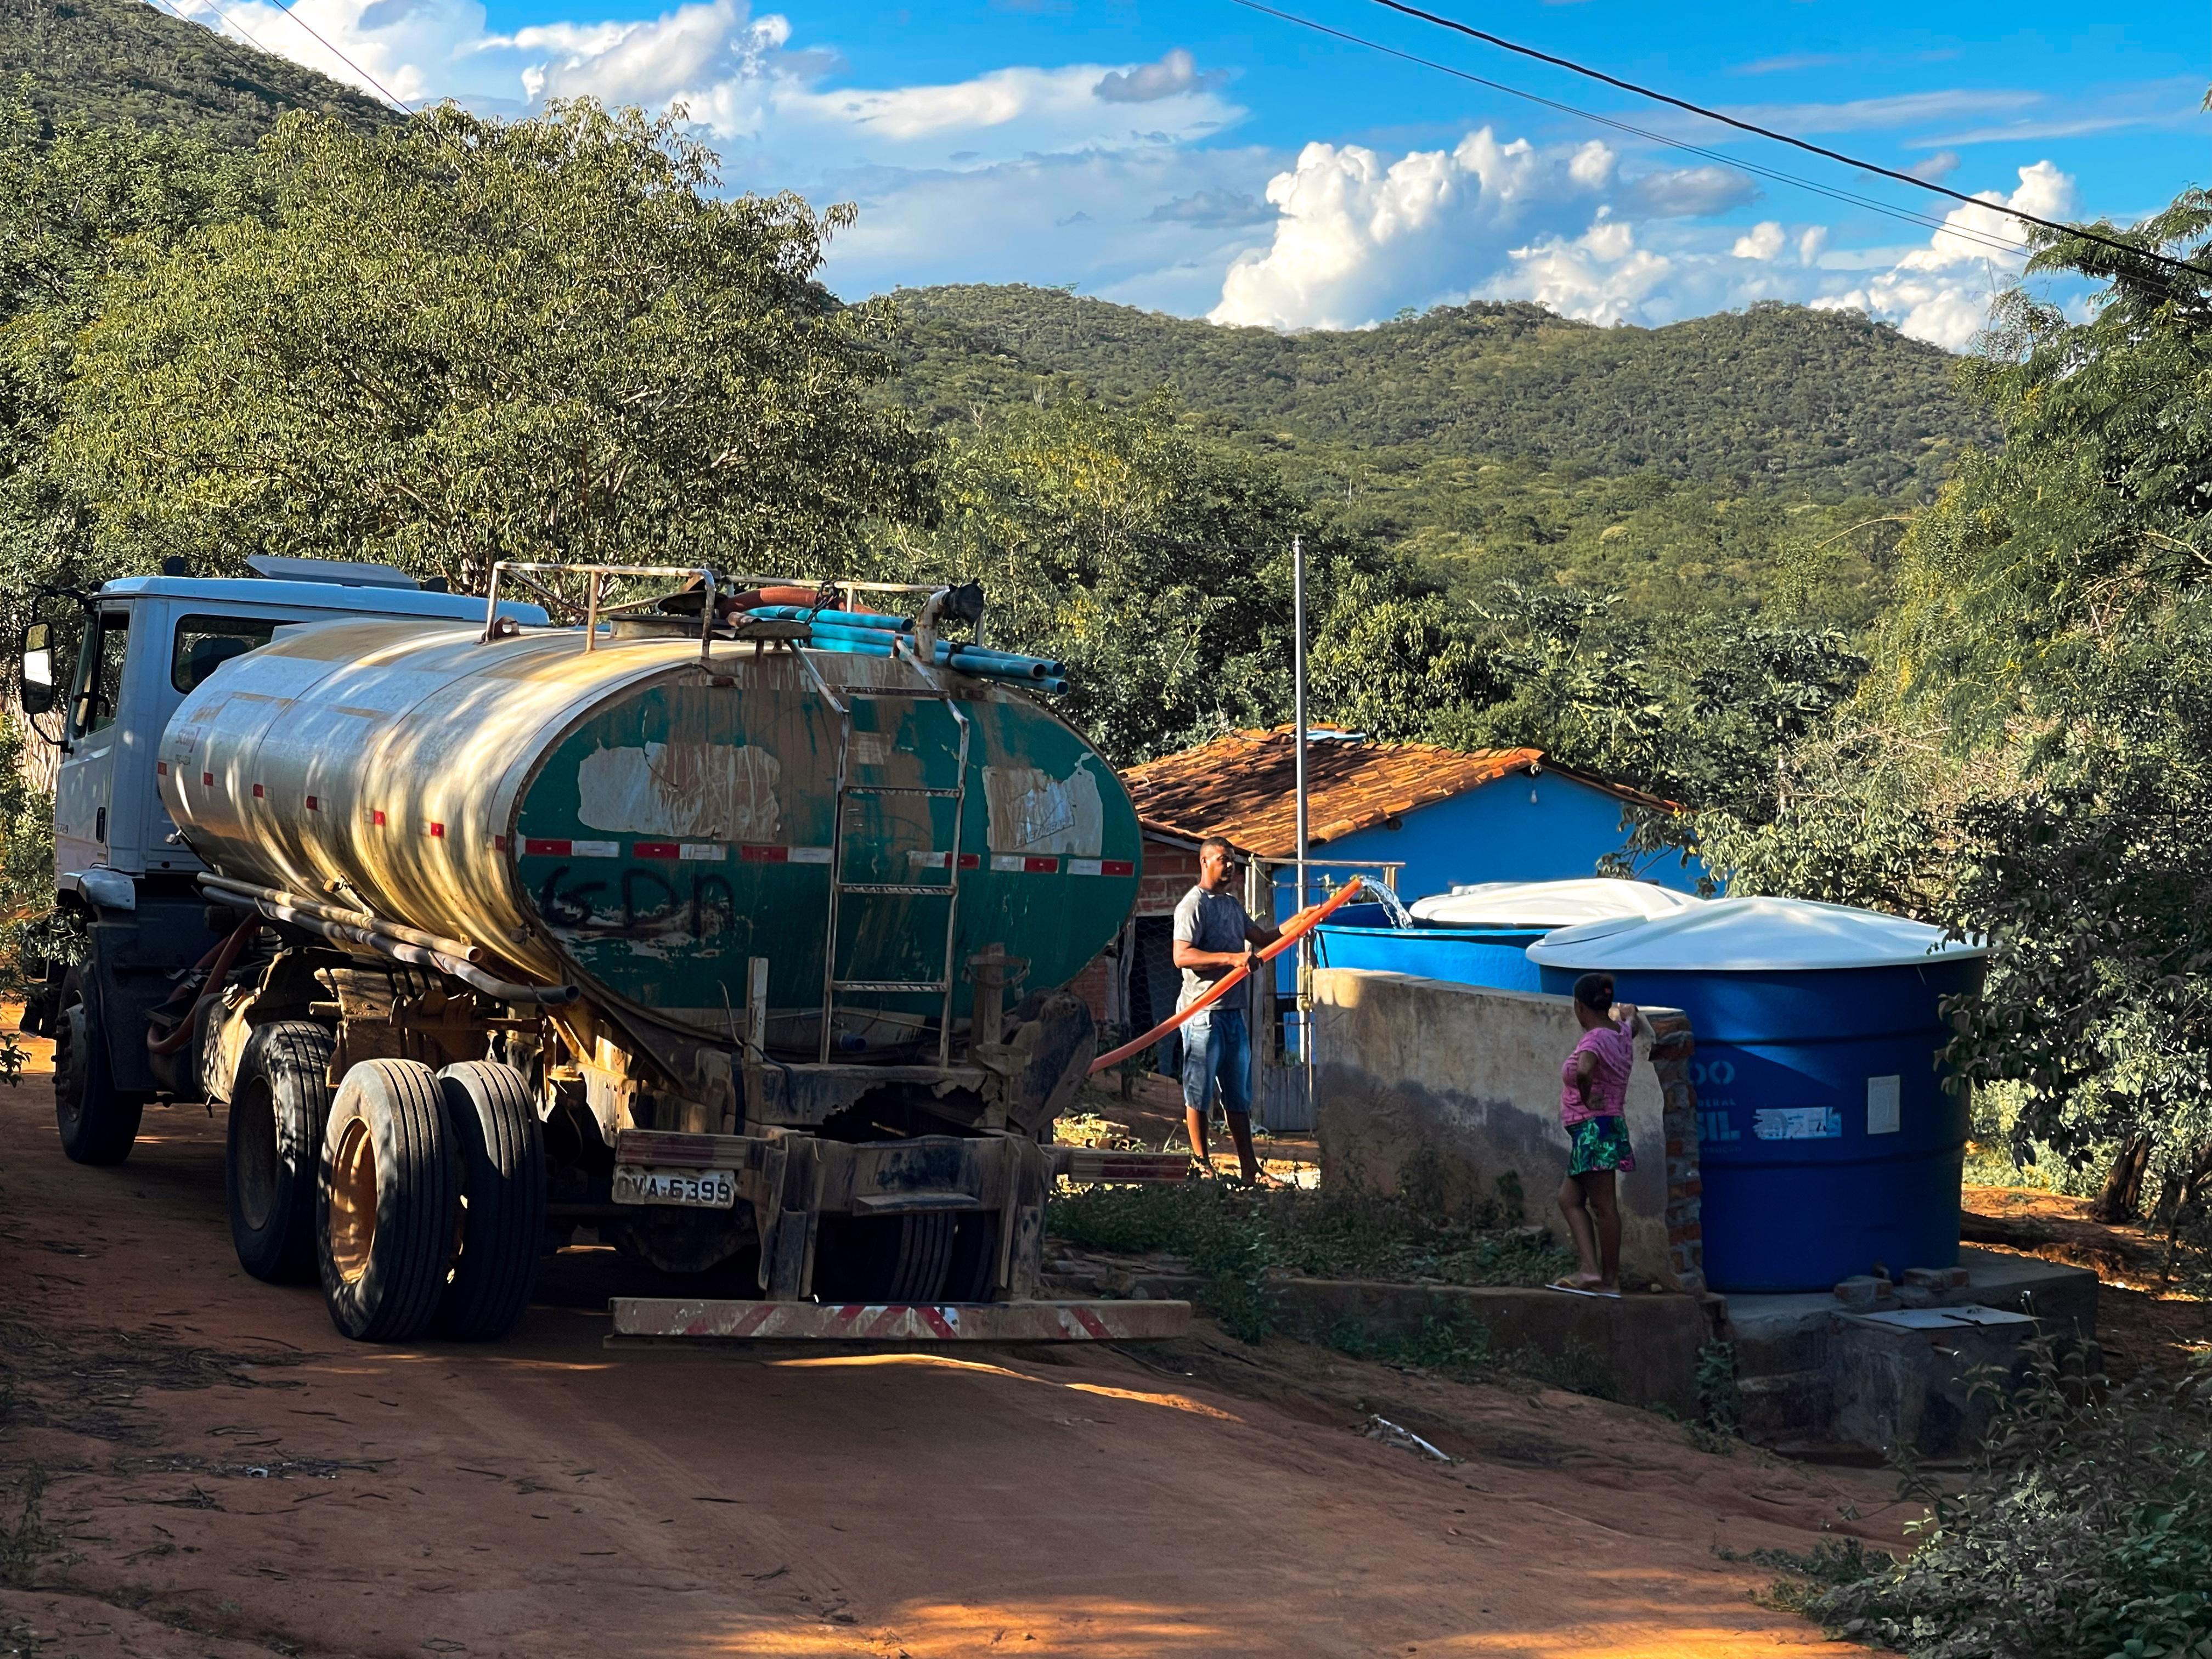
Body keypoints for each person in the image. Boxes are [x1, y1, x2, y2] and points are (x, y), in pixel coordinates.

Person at [1171, 837, 1280, 1182]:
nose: (1230, 866)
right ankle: (1202, 1166)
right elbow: (1182, 955)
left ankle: (1250, 1169)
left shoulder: (1232, 905)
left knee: (1238, 1095)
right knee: (1199, 1092)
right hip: (1202, 1014)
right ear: (1204, 862)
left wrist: (1303, 921)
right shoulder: (1193, 905)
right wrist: (1232, 958)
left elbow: (1263, 938)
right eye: (1222, 859)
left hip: (1232, 1013)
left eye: (1233, 860)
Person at [1551, 972, 1639, 1297]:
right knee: (1569, 1200)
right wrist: (1629, 1016)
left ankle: (1609, 1280)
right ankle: (1590, 1271)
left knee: (1604, 1206)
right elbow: (1634, 1025)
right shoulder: (1621, 1034)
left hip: (1594, 1129)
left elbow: (1585, 1069)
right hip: (1605, 1127)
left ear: (1579, 1007)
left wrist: (1586, 1097)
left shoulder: (1594, 1039)